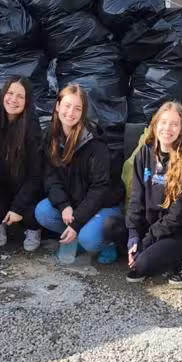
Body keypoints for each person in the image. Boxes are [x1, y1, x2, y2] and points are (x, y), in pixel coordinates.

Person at [35, 84, 124, 263]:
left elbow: (99, 189)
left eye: (77, 108)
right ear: (57, 106)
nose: (71, 112)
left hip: (104, 204)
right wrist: (64, 205)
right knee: (43, 211)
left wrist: (77, 222)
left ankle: (107, 243)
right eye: (67, 105)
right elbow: (51, 178)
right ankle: (75, 235)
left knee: (89, 239)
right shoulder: (51, 137)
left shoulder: (94, 143)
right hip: (75, 202)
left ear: (83, 112)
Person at [125, 101, 182, 287]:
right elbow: (136, 198)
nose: (168, 128)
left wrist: (146, 241)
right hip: (150, 225)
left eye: (175, 124)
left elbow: (177, 216)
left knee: (142, 265)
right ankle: (147, 251)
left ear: (181, 130)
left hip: (177, 231)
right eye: (164, 122)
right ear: (155, 124)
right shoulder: (144, 154)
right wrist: (134, 236)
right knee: (111, 228)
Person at [0, 77, 43, 252]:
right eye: (10, 93)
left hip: (24, 185)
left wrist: (17, 207)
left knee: (32, 214)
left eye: (20, 96)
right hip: (0, 185)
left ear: (27, 101)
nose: (13, 100)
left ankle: (33, 229)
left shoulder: (32, 127)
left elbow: (35, 177)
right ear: (3, 94)